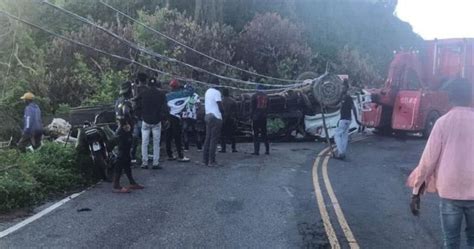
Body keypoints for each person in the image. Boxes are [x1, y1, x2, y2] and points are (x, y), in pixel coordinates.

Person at [407, 79, 474, 249]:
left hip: (449, 192)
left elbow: (428, 161)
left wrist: (416, 191)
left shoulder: (442, 123)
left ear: (451, 98)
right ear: (471, 97)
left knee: (451, 242)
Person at [113, 81, 144, 193]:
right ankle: (116, 184)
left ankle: (131, 181)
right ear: (128, 91)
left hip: (120, 132)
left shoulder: (118, 101)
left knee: (126, 158)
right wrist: (126, 125)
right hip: (124, 133)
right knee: (122, 158)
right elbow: (125, 114)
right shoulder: (126, 102)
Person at [135, 74, 168, 169]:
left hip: (145, 120)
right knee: (156, 143)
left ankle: (144, 162)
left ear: (148, 84)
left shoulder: (143, 94)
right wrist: (164, 119)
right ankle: (155, 163)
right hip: (156, 121)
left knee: (144, 142)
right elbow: (165, 108)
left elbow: (137, 106)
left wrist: (140, 116)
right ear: (156, 84)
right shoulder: (161, 94)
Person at [333, 79, 360, 160]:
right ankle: (343, 153)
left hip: (345, 120)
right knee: (344, 136)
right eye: (341, 87)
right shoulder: (343, 97)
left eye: (343, 87)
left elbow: (353, 108)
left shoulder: (347, 97)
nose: (341, 88)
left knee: (337, 135)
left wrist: (357, 119)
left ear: (346, 88)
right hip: (347, 120)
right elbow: (337, 105)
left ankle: (341, 153)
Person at [165, 79, 191, 162]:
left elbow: (165, 107)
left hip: (169, 117)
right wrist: (184, 86)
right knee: (178, 137)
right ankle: (180, 156)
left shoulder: (167, 96)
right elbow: (192, 90)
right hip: (177, 118)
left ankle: (170, 155)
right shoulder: (183, 94)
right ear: (178, 86)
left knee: (168, 137)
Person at [202, 77, 224, 167]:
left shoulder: (207, 91)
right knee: (213, 140)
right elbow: (220, 105)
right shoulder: (217, 92)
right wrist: (223, 113)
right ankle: (212, 161)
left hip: (207, 116)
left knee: (207, 138)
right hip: (215, 117)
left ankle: (205, 160)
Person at [130, 73, 149, 165]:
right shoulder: (147, 90)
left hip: (136, 116)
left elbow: (133, 101)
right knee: (144, 138)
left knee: (135, 137)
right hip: (145, 116)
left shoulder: (135, 89)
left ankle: (133, 155)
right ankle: (144, 155)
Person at [181, 84, 202, 151]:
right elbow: (199, 106)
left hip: (185, 115)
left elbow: (181, 105)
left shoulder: (184, 95)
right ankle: (199, 147)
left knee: (185, 131)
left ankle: (186, 147)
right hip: (193, 115)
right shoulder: (196, 95)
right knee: (196, 131)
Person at [251, 85, 269, 155]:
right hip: (263, 117)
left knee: (256, 134)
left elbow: (252, 108)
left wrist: (251, 116)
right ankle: (267, 150)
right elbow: (268, 107)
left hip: (256, 117)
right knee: (264, 133)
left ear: (257, 89)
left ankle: (256, 151)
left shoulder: (254, 96)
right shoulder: (266, 96)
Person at [220, 88, 238, 153]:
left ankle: (223, 148)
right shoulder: (233, 101)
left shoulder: (221, 101)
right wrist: (236, 118)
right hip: (231, 119)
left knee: (222, 134)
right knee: (232, 134)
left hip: (223, 119)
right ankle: (233, 148)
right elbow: (236, 111)